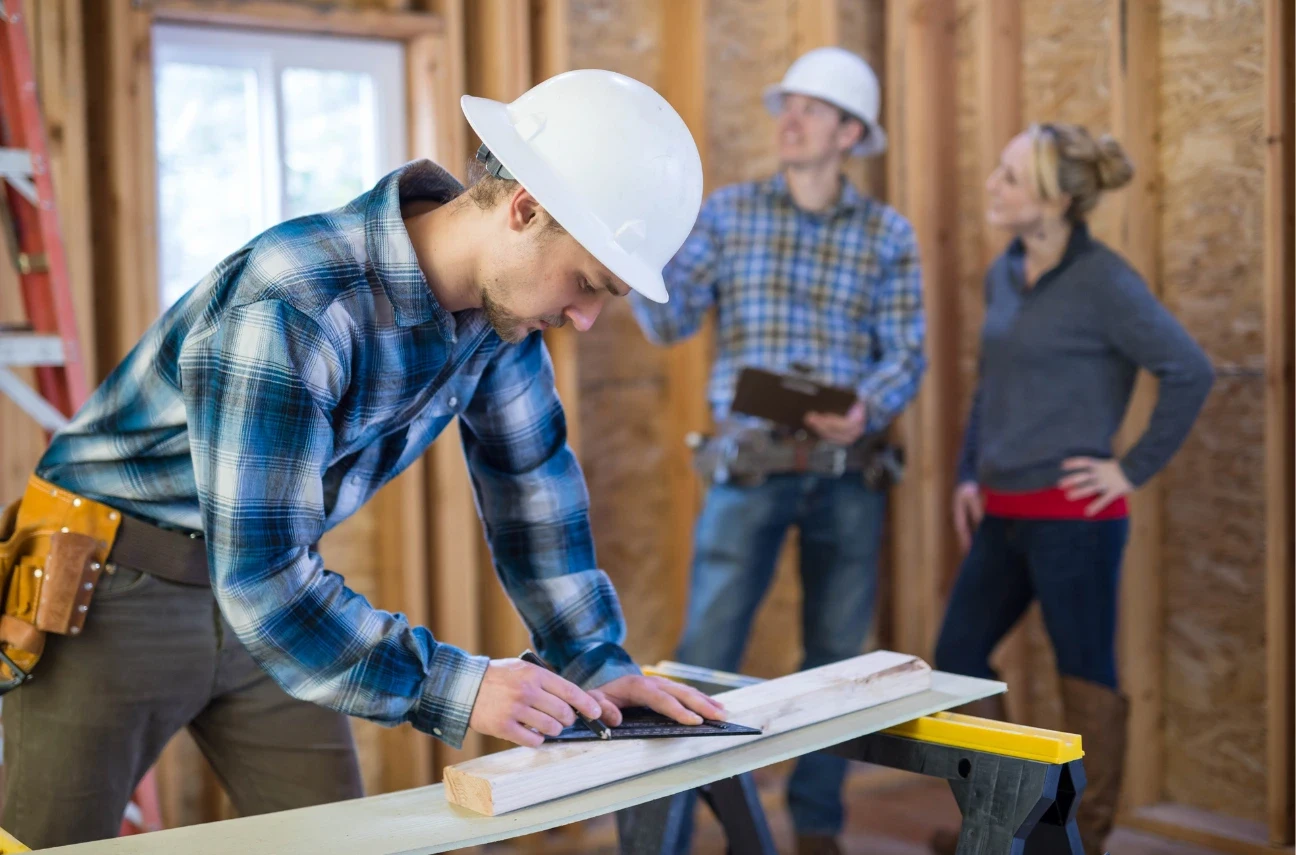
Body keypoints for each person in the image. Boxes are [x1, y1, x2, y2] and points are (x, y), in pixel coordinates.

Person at [0, 69, 726, 848]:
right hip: (110, 588)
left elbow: (532, 487)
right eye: (586, 284)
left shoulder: (501, 317)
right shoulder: (294, 302)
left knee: (340, 842)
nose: (583, 319)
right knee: (50, 843)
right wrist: (460, 685)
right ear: (524, 209)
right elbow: (262, 580)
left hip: (273, 591)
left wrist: (592, 658)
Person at [630, 47, 926, 855]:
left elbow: (907, 350)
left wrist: (869, 404)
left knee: (839, 660)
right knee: (705, 654)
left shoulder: (886, 234)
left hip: (848, 475)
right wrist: (637, 243)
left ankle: (819, 827)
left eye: (808, 107)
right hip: (746, 469)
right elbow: (669, 318)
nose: (787, 120)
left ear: (850, 131)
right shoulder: (728, 215)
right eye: (784, 105)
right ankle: (667, 830)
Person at [930, 123, 1214, 855]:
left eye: (1012, 177)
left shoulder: (1106, 282)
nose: (993, 185)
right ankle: (1004, 825)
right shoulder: (1005, 270)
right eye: (999, 170)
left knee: (1083, 678)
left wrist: (1130, 467)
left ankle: (1073, 841)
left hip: (1076, 521)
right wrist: (970, 469)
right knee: (957, 656)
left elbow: (1189, 368)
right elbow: (994, 384)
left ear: (1056, 201)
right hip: (1002, 511)